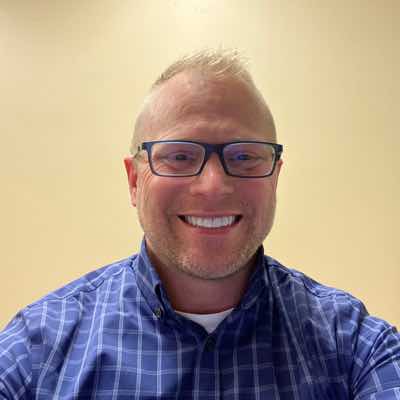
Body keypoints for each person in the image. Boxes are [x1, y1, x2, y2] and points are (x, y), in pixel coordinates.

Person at [1, 50, 399, 400]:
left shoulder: (357, 348)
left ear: (275, 178)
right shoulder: (35, 351)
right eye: (179, 156)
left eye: (244, 157)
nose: (213, 186)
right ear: (135, 181)